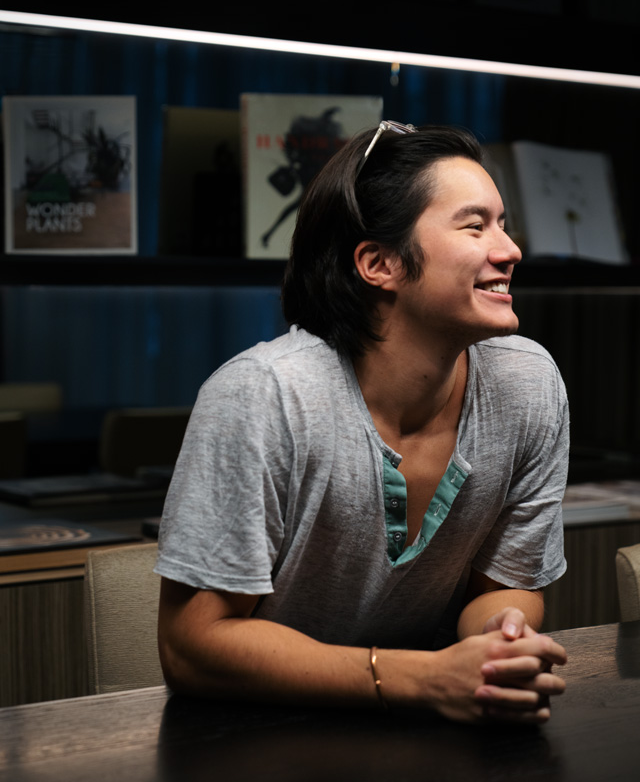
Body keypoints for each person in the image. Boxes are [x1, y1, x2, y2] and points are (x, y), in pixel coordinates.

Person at [156, 121, 569, 723]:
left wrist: (499, 636)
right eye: (475, 225)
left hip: (436, 725)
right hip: (257, 735)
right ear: (379, 263)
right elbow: (192, 645)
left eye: (503, 224)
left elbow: (506, 584)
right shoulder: (266, 395)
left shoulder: (527, 384)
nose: (509, 250)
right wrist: (418, 678)